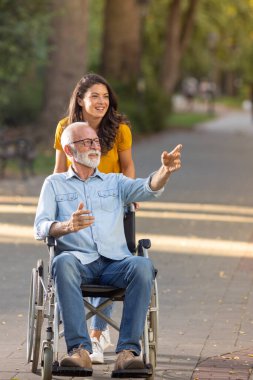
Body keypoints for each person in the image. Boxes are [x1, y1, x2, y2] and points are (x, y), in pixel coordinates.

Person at [34, 122, 182, 373]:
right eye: (86, 142)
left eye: (96, 142)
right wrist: (67, 226)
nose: (94, 146)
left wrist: (164, 172)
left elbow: (147, 188)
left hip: (116, 263)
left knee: (142, 265)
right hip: (77, 263)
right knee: (62, 262)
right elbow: (40, 227)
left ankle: (127, 353)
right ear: (69, 151)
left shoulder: (114, 182)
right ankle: (79, 351)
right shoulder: (54, 184)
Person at [53, 73, 135, 363]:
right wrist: (55, 206)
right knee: (66, 260)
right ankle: (76, 335)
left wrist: (129, 197)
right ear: (80, 99)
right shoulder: (65, 128)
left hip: (111, 204)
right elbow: (59, 171)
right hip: (77, 209)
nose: (102, 102)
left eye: (105, 96)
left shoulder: (120, 129)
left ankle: (98, 335)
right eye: (94, 96)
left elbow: (127, 167)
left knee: (111, 253)